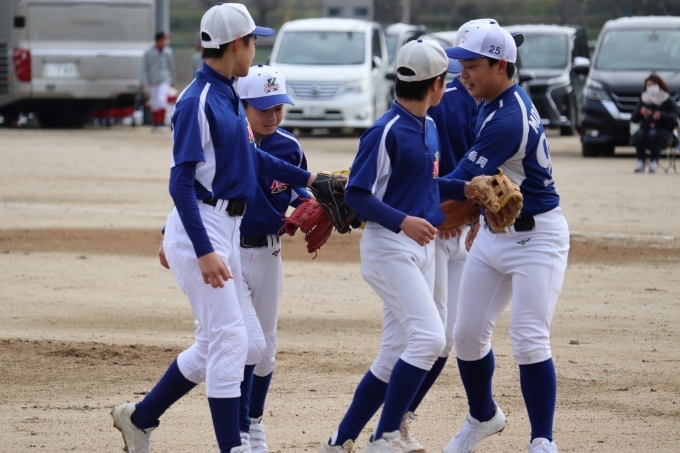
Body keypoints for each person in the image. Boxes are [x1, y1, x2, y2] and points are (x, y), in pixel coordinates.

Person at [111, 4, 317, 453]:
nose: (255, 48)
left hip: (225, 225)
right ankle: (234, 446)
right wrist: (204, 249)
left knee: (220, 343)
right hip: (201, 227)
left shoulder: (226, 94)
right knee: (233, 339)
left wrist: (311, 180)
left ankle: (140, 418)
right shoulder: (198, 100)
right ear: (237, 44)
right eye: (254, 41)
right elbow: (180, 183)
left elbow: (251, 157)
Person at [318, 39, 469, 453]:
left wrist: (466, 187)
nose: (448, 87)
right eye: (446, 81)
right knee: (430, 338)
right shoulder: (385, 131)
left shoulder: (428, 126)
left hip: (421, 247)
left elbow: (428, 184)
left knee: (394, 353)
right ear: (435, 85)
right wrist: (402, 220)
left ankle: (339, 441)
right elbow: (357, 194)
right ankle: (385, 436)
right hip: (388, 247)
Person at [398, 22, 528, 451]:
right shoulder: (446, 101)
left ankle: (402, 419)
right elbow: (423, 167)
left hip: (469, 228)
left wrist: (479, 217)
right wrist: (441, 211)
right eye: (470, 62)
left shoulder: (501, 106)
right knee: (426, 334)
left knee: (449, 337)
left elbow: (499, 177)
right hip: (433, 228)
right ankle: (392, 422)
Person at [442, 20, 570, 453]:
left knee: (529, 338)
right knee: (466, 334)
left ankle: (542, 440)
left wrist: (389, 192)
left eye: (472, 65)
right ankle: (482, 417)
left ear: (500, 66)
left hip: (538, 238)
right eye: (461, 64)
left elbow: (460, 181)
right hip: (496, 233)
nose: (463, 74)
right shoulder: (493, 98)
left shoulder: (507, 118)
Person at [235, 64, 310, 452]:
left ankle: (254, 423)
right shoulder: (230, 142)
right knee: (245, 344)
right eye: (263, 109)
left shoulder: (289, 146)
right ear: (243, 106)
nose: (272, 116)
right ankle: (239, 431)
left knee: (265, 348)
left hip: (270, 253)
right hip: (230, 251)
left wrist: (313, 208)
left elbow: (301, 194)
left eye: (278, 107)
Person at [631, 73, 679, 173]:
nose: (651, 87)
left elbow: (676, 115)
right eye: (649, 85)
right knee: (640, 134)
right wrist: (640, 112)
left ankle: (654, 162)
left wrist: (662, 115)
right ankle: (640, 162)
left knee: (653, 134)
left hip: (664, 133)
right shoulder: (643, 99)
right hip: (646, 130)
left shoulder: (667, 100)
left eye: (653, 85)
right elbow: (634, 119)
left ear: (659, 85)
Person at [140, 31, 176, 132]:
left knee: (161, 100)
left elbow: (171, 66)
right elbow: (144, 67)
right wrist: (141, 81)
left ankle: (161, 123)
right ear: (158, 40)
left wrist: (173, 79)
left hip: (165, 78)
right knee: (154, 103)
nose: (165, 42)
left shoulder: (168, 51)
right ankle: (156, 124)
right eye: (163, 40)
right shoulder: (149, 52)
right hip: (153, 79)